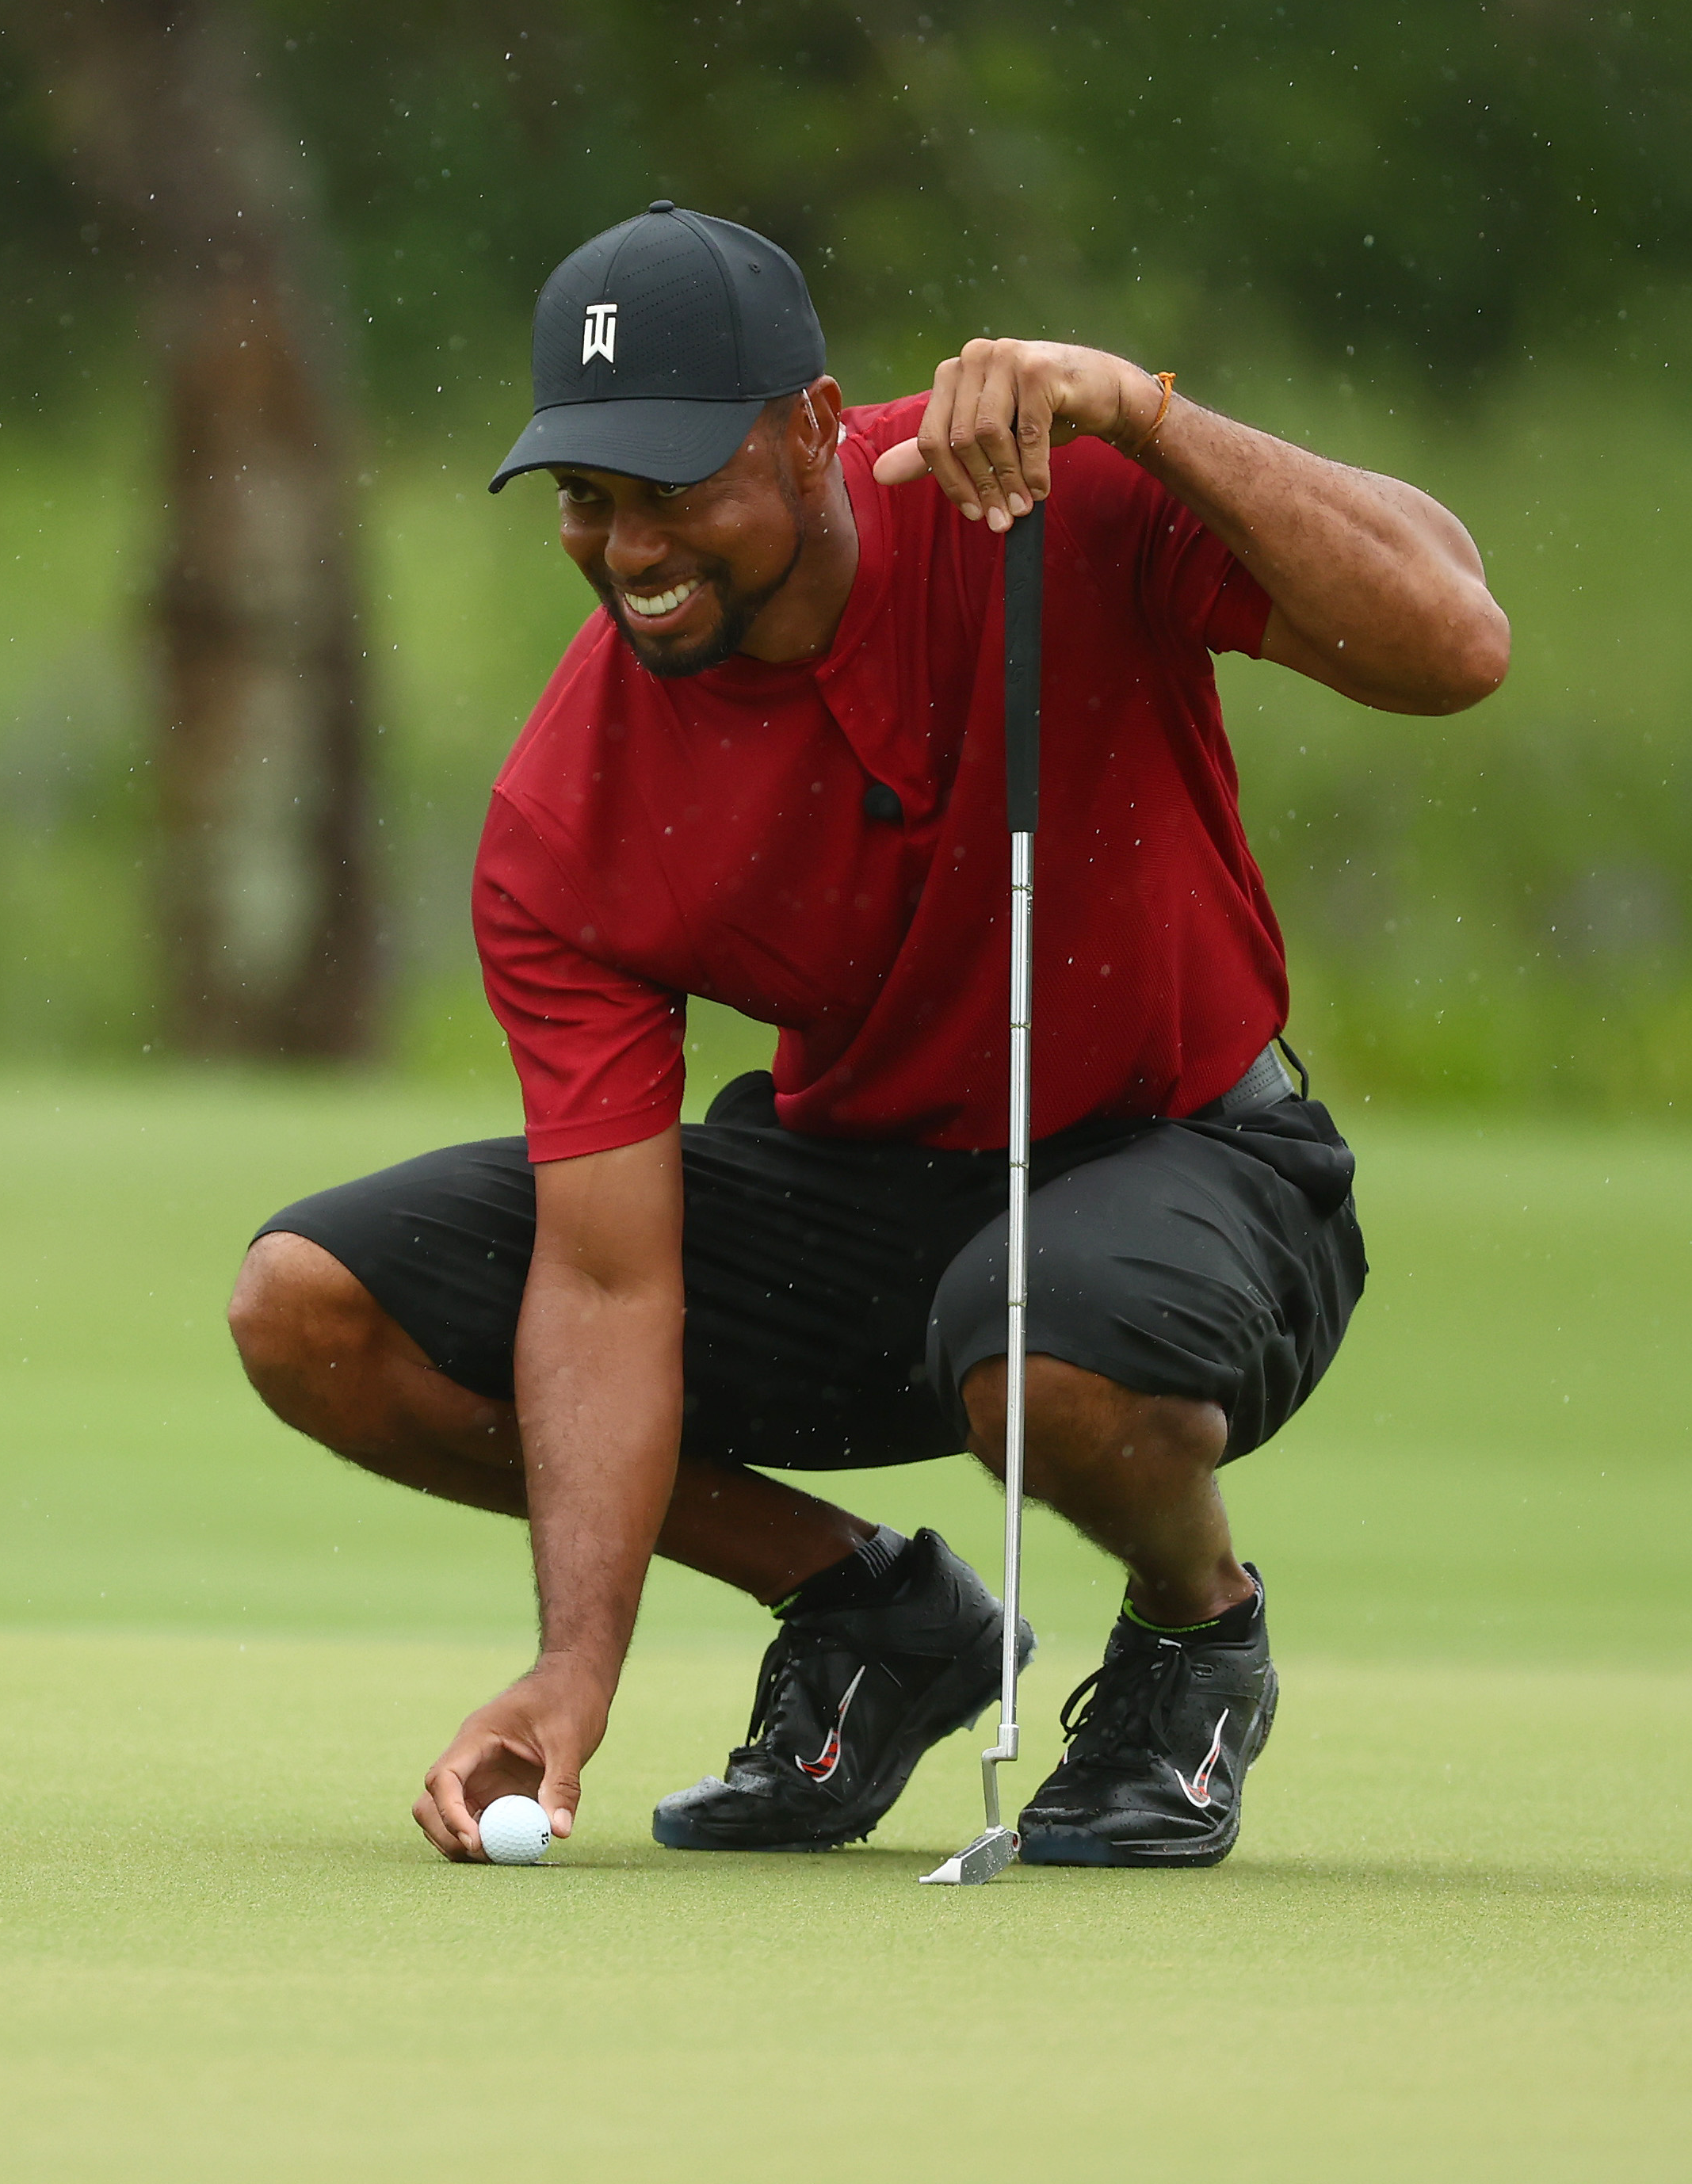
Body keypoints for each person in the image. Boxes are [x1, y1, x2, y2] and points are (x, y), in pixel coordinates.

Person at [227, 203, 1508, 1867]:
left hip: (1192, 1156)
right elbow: (610, 1280)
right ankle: (871, 1612)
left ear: (817, 426)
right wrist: (575, 1666)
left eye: (676, 487)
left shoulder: (1037, 493)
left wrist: (1150, 415)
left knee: (1040, 1353)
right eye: (587, 500)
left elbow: (1453, 645)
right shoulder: (568, 811)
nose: (629, 548)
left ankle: (1195, 1635)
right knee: (313, 1309)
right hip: (862, 1195)